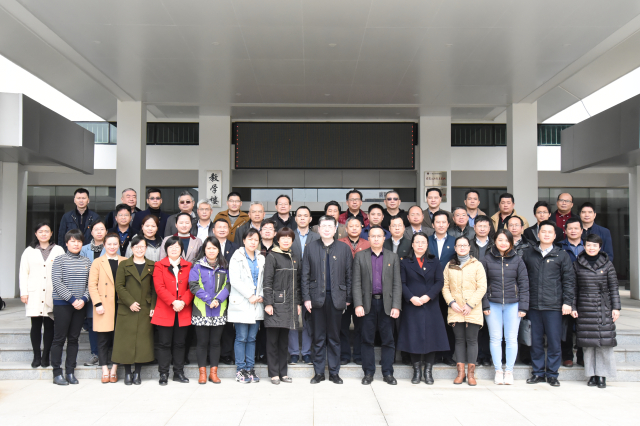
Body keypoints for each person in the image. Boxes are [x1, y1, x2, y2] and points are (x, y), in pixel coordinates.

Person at [522, 220, 576, 387]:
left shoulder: (562, 255)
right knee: (535, 342)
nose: (546, 234)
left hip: (554, 306)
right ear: (538, 234)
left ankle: (552, 374)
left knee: (554, 342)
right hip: (533, 306)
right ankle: (538, 373)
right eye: (543, 231)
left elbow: (569, 281)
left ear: (555, 236)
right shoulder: (528, 254)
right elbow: (522, 280)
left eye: (549, 232)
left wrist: (568, 302)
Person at [302, 215, 353, 385]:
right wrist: (306, 298)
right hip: (316, 298)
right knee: (318, 337)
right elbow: (305, 275)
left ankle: (334, 372)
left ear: (335, 229)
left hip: (337, 298)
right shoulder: (310, 248)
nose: (326, 229)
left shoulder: (344, 249)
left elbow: (349, 275)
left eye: (330, 226)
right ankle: (318, 373)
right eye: (323, 226)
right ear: (318, 228)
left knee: (334, 337)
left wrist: (348, 297)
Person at [398, 232, 450, 384]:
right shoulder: (405, 262)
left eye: (423, 242)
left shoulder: (434, 261)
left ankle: (428, 371)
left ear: (427, 245)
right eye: (417, 242)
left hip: (430, 304)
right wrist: (411, 297)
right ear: (412, 245)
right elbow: (401, 283)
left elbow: (439, 282)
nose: (420, 245)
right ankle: (416, 372)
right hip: (412, 305)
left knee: (431, 337)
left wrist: (428, 296)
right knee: (413, 337)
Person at [353, 226, 402, 385]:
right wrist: (358, 304)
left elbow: (397, 284)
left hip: (387, 304)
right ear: (368, 238)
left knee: (388, 340)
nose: (375, 239)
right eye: (372, 236)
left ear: (384, 238)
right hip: (367, 304)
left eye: (378, 236)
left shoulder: (392, 257)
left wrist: (396, 306)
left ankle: (388, 373)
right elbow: (356, 283)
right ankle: (368, 373)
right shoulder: (360, 256)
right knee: (367, 339)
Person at [571, 234, 621, 389]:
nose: (591, 248)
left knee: (604, 343)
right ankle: (592, 375)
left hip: (603, 307)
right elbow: (573, 288)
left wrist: (616, 307)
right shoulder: (577, 264)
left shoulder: (607, 264)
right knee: (588, 344)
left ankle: (602, 375)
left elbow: (614, 287)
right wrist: (573, 307)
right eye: (588, 245)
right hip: (584, 307)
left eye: (594, 245)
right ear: (584, 246)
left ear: (600, 247)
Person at [481, 230, 529, 385]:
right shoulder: (487, 259)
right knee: (495, 338)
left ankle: (509, 371)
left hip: (513, 304)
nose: (503, 243)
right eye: (500, 240)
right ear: (495, 241)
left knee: (511, 338)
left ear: (511, 242)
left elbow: (524, 284)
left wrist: (523, 307)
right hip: (492, 304)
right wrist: (484, 304)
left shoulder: (518, 260)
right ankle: (498, 370)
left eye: (506, 240)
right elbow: (481, 284)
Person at [19, 222, 65, 369]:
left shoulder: (58, 250)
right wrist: (24, 292)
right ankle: (36, 356)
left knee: (50, 325)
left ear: (51, 233)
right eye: (40, 231)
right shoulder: (29, 251)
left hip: (53, 293)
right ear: (36, 234)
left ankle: (46, 356)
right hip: (34, 293)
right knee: (36, 326)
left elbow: (63, 271)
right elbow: (23, 273)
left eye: (46, 231)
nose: (44, 234)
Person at [112, 236, 156, 386]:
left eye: (142, 246)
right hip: (127, 308)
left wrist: (153, 307)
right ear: (131, 248)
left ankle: (137, 373)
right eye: (136, 247)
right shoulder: (124, 264)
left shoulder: (152, 265)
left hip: (144, 309)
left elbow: (154, 289)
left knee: (142, 342)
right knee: (126, 341)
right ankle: (127, 372)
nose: (139, 249)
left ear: (146, 248)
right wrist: (130, 302)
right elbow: (119, 286)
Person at [442, 236, 487, 386]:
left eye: (464, 245)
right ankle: (460, 373)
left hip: (472, 309)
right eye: (459, 245)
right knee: (459, 340)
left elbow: (482, 287)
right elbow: (445, 287)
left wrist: (470, 305)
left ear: (469, 247)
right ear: (455, 248)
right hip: (456, 309)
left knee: (472, 340)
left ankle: (471, 374)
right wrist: (451, 302)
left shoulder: (477, 265)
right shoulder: (450, 265)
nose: (462, 248)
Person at [50, 229, 92, 386]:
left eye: (79, 241)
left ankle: (70, 371)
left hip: (80, 305)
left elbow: (90, 284)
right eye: (73, 241)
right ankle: (57, 373)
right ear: (66, 243)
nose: (76, 244)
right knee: (59, 338)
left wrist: (84, 299)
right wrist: (73, 299)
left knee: (74, 339)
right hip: (63, 304)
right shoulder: (59, 260)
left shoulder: (86, 261)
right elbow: (57, 282)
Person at [152, 236, 193, 385]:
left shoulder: (189, 266)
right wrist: (173, 301)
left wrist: (183, 302)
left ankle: (178, 372)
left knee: (180, 343)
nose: (174, 249)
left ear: (182, 249)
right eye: (171, 247)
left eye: (177, 246)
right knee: (164, 343)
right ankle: (163, 373)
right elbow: (159, 287)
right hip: (165, 309)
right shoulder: (159, 265)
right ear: (166, 249)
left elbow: (192, 287)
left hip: (183, 309)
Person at [263, 227, 302, 385]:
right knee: (272, 341)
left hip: (289, 304)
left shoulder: (294, 257)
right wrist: (268, 303)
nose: (286, 240)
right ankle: (274, 374)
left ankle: (283, 373)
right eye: (283, 238)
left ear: (292, 241)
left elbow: (297, 283)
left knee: (284, 341)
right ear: (277, 240)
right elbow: (267, 282)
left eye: (289, 238)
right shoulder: (272, 256)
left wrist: (298, 302)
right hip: (275, 304)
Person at [189, 236, 230, 384]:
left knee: (215, 342)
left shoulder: (224, 266)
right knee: (202, 343)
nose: (211, 251)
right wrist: (208, 299)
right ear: (204, 250)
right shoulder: (197, 266)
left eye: (214, 248)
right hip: (201, 310)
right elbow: (193, 285)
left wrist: (218, 300)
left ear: (218, 250)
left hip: (219, 310)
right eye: (208, 248)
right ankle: (202, 374)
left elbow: (228, 285)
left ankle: (213, 373)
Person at [87, 232, 126, 383]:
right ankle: (104, 369)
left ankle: (114, 369)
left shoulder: (124, 261)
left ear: (119, 245)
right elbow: (92, 285)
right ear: (104, 245)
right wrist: (97, 304)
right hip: (103, 305)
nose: (112, 246)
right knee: (103, 339)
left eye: (115, 244)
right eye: (109, 244)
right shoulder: (98, 262)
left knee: (118, 338)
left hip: (121, 305)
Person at [228, 228, 265, 384]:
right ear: (244, 240)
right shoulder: (236, 257)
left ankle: (250, 368)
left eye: (256, 239)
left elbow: (263, 280)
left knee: (252, 338)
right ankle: (240, 369)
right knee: (241, 337)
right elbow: (234, 280)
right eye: (250, 239)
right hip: (242, 302)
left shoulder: (261, 258)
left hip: (257, 303)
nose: (253, 242)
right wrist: (250, 295)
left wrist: (261, 295)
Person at [338, 216, 369, 366]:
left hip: (362, 292)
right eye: (351, 226)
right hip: (343, 291)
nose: (354, 228)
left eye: (357, 226)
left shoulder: (368, 244)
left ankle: (358, 355)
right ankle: (344, 355)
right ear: (346, 228)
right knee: (342, 326)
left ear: (362, 227)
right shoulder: (339, 243)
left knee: (360, 326)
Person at [289, 207, 319, 365]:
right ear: (295, 219)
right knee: (292, 319)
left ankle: (307, 352)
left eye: (305, 215)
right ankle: (294, 352)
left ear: (310, 219)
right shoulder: (289, 236)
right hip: (292, 281)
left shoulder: (317, 237)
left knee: (309, 319)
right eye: (299, 215)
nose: (302, 218)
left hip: (311, 282)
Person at [428, 211, 457, 366]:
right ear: (433, 224)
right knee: (432, 322)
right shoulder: (426, 241)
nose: (440, 225)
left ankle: (447, 355)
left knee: (448, 322)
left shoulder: (455, 241)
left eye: (443, 222)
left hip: (449, 288)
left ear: (448, 224)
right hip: (429, 287)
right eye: (437, 222)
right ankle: (432, 354)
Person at [79, 219, 109, 367]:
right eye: (96, 229)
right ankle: (95, 354)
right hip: (89, 290)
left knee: (106, 323)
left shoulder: (111, 246)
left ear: (106, 232)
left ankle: (106, 354)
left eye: (102, 229)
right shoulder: (84, 249)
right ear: (91, 232)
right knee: (92, 324)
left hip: (107, 291)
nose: (99, 232)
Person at [559, 217, 586, 367]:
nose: (573, 231)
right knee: (566, 326)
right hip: (565, 289)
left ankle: (581, 356)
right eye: (570, 228)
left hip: (585, 291)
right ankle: (567, 356)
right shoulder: (559, 247)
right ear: (565, 230)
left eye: (576, 228)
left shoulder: (588, 247)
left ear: (581, 230)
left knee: (582, 325)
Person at [469, 214, 494, 367]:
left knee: (489, 325)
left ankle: (487, 356)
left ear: (489, 228)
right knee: (476, 325)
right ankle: (477, 355)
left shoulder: (495, 245)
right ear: (474, 227)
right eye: (480, 226)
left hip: (491, 288)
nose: (483, 229)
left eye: (485, 226)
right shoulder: (468, 245)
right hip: (473, 289)